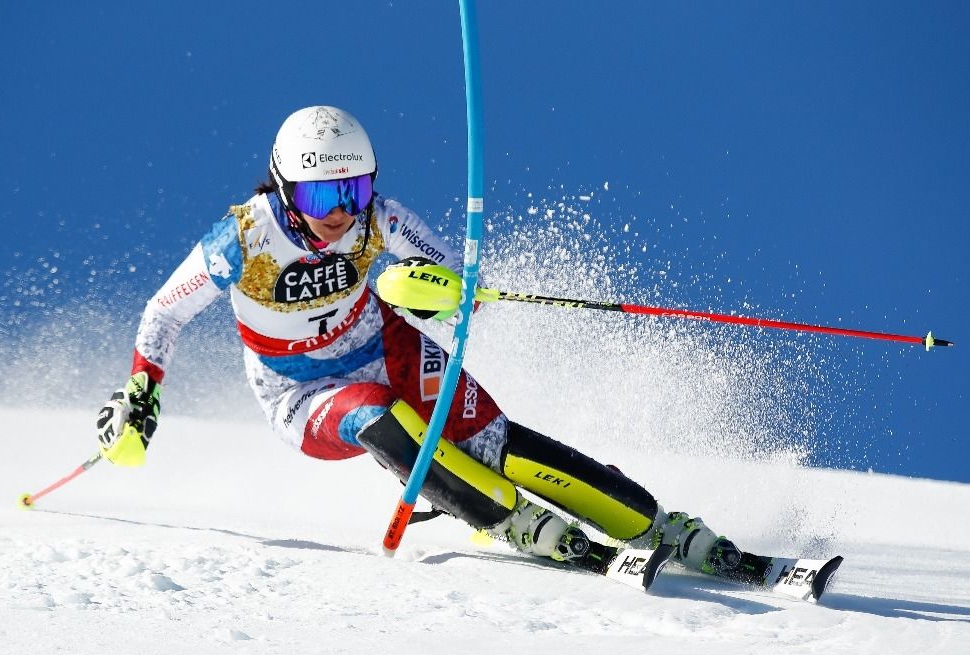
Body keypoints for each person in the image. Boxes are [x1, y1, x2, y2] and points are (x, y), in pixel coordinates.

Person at [96, 105, 742, 575]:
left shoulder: (382, 217)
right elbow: (163, 313)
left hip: (389, 346)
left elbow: (460, 291)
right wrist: (141, 394)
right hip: (301, 390)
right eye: (323, 192)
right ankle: (507, 519)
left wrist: (449, 297)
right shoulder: (242, 238)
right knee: (380, 418)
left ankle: (654, 524)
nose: (340, 211)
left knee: (494, 442)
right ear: (286, 188)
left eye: (353, 188)